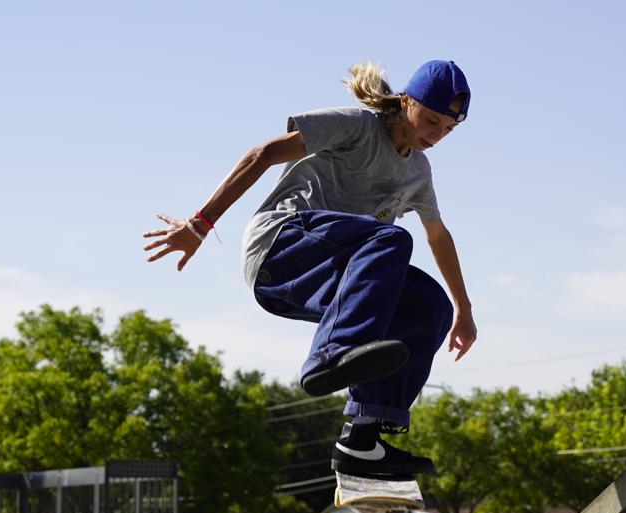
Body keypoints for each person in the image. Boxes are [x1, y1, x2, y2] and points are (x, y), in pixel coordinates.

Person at [143, 60, 476, 478]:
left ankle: (362, 438)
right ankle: (331, 354)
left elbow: (439, 236)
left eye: (447, 129)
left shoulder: (418, 172)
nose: (436, 135)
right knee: (388, 239)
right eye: (430, 120)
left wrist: (463, 309)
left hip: (327, 275)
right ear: (405, 101)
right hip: (282, 248)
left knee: (428, 306)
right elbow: (262, 154)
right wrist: (200, 224)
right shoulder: (358, 126)